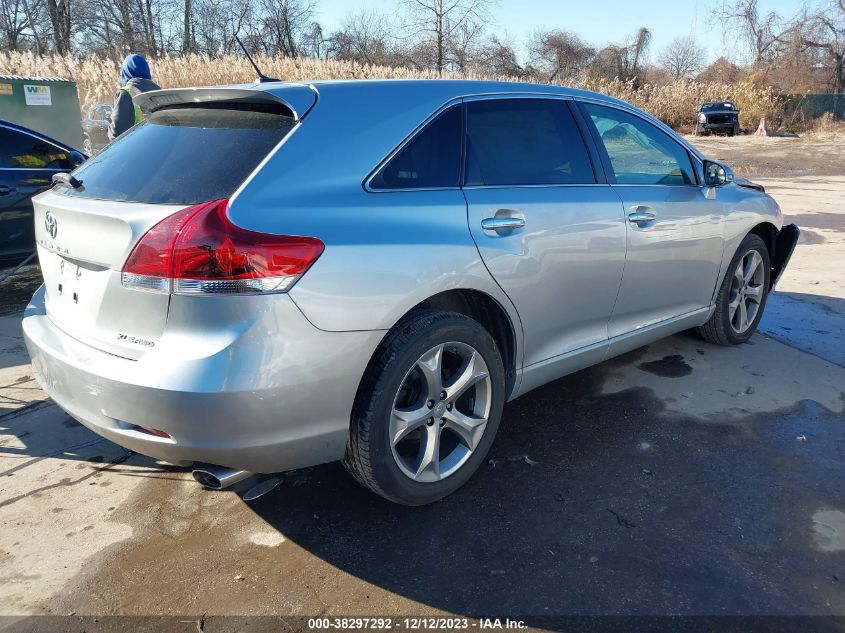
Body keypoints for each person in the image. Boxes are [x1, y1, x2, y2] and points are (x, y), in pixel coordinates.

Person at [108, 53, 161, 141]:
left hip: (136, 150)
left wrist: (108, 129)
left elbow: (116, 133)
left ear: (125, 72)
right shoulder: (160, 92)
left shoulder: (126, 93)